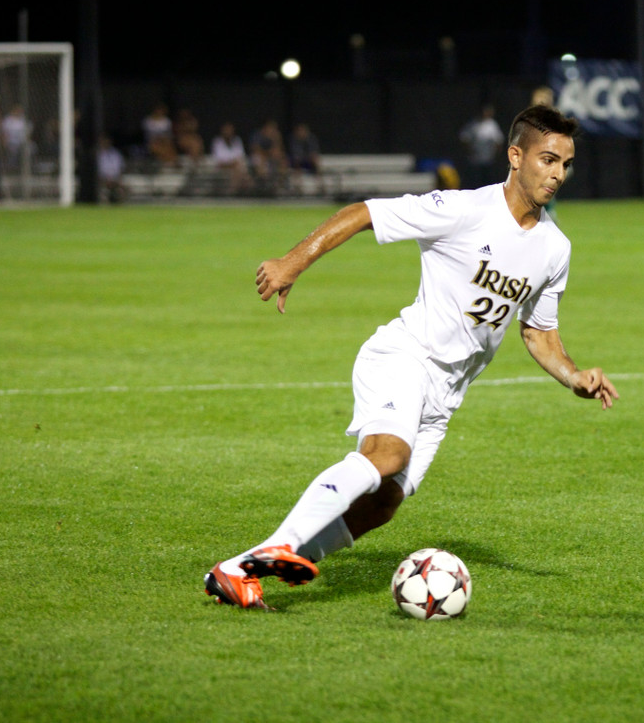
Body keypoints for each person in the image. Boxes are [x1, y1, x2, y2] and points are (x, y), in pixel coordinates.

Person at [204, 104, 619, 610]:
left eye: (565, 164)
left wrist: (573, 376)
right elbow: (364, 213)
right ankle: (265, 554)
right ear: (515, 156)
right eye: (548, 159)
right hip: (405, 357)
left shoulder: (555, 248)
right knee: (387, 456)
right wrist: (292, 262)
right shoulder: (464, 210)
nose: (557, 174)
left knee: (382, 504)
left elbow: (538, 332)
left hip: (446, 395)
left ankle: (243, 571)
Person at [457, 104, 504, 189]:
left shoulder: (492, 125)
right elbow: (464, 138)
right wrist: (469, 151)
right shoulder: (473, 124)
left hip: (489, 161)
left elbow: (498, 141)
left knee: (487, 184)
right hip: (475, 161)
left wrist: (496, 155)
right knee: (475, 183)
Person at [210, 121, 251, 195]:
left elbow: (240, 157)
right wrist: (232, 163)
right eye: (226, 130)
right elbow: (219, 161)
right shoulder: (217, 141)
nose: (228, 132)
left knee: (240, 170)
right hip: (221, 168)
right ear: (222, 131)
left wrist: (234, 163)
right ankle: (232, 193)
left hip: (236, 169)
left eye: (230, 130)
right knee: (239, 170)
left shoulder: (237, 140)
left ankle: (237, 192)